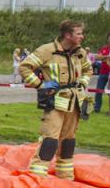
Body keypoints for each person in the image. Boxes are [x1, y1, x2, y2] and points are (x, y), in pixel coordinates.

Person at [19, 20, 91, 179]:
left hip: (74, 103)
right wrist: (40, 85)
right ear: (67, 35)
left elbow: (88, 70)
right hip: (54, 103)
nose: (82, 36)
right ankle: (37, 177)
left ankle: (65, 177)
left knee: (68, 142)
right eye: (78, 33)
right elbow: (25, 67)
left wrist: (82, 83)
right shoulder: (47, 50)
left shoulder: (80, 52)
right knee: (50, 140)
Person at [93, 34, 110, 113]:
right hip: (103, 73)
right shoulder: (104, 48)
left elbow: (105, 58)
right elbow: (97, 57)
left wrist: (104, 58)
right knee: (99, 91)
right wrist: (108, 57)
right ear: (108, 40)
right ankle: (97, 108)